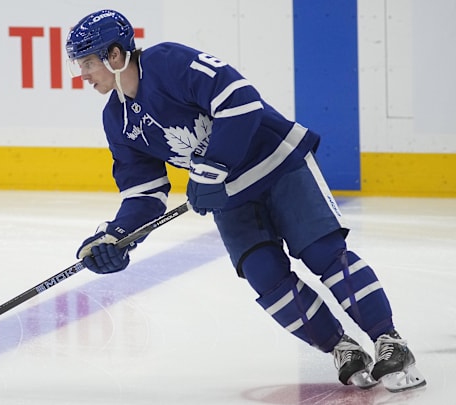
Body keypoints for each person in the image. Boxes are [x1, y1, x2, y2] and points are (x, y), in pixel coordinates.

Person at [66, 9, 426, 392]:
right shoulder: (117, 119)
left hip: (277, 164)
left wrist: (212, 165)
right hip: (229, 195)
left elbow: (240, 100)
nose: (83, 74)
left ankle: (390, 341)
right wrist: (117, 236)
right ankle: (342, 347)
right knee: (265, 276)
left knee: (323, 253)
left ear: (116, 55)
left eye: (88, 62)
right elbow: (144, 192)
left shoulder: (168, 62)